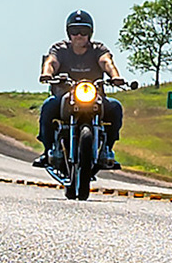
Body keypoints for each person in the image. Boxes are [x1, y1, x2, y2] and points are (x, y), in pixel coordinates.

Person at [35, 10, 126, 171]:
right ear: (68, 33)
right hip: (65, 96)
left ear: (90, 33)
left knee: (115, 107)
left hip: (94, 96)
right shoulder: (60, 49)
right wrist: (46, 73)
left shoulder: (98, 49)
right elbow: (51, 62)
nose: (79, 35)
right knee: (48, 106)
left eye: (83, 31)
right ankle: (47, 150)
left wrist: (115, 76)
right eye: (74, 31)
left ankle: (107, 150)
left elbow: (106, 62)